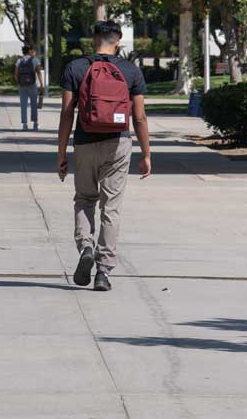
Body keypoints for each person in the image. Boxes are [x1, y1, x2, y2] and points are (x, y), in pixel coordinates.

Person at [56, 19, 152, 292]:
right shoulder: (130, 70)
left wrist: (61, 153)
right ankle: (103, 271)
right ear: (118, 40)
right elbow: (140, 116)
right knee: (111, 208)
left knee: (85, 199)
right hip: (118, 143)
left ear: (93, 39)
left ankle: (85, 247)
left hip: (85, 141)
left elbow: (66, 113)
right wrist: (146, 153)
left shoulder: (76, 67)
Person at [14, 44, 45, 131]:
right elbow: (39, 72)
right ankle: (35, 124)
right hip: (32, 85)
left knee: (23, 105)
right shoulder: (35, 60)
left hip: (22, 85)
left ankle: (24, 124)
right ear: (30, 51)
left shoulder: (19, 61)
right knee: (33, 104)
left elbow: (16, 74)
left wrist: (19, 82)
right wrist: (41, 84)